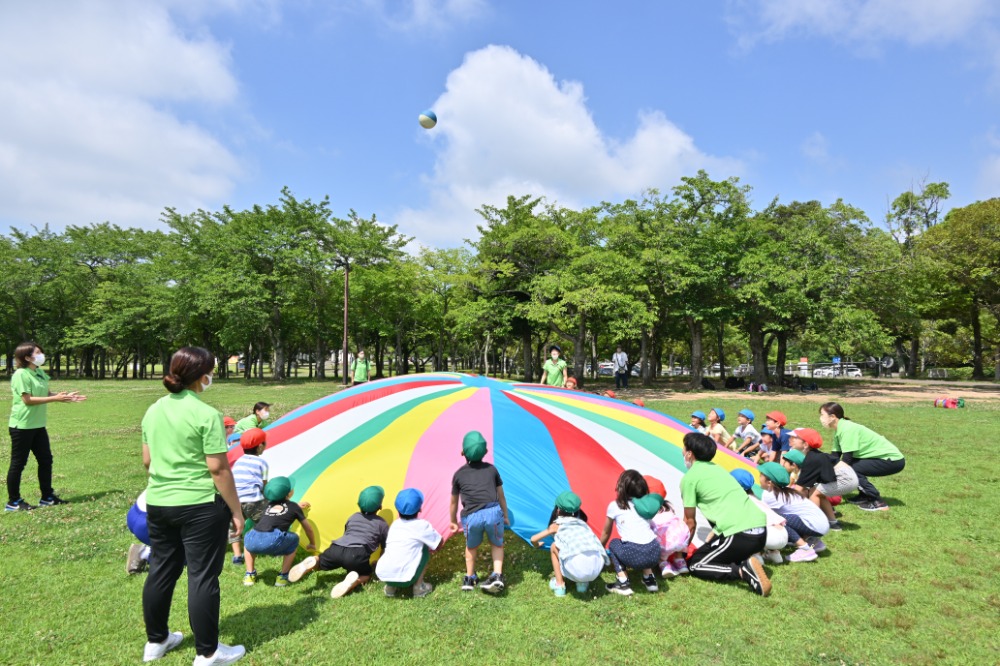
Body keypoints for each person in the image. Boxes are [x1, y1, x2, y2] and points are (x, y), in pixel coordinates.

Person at [140, 346, 245, 665]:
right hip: (200, 506)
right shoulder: (206, 415)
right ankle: (208, 652)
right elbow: (218, 468)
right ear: (203, 377)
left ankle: (156, 642)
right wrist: (237, 511)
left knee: (161, 570)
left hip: (159, 502)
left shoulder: (153, 410)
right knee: (202, 576)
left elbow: (147, 461)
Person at [680, 432, 772, 597]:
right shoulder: (719, 470)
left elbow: (690, 522)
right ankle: (746, 560)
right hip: (761, 532)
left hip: (739, 533)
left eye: (684, 448)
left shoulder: (690, 479)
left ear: (689, 453)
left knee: (696, 564)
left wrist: (681, 553)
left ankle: (742, 571)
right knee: (712, 553)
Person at [6, 341, 86, 512]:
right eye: (37, 352)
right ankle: (13, 502)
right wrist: (55, 399)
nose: (41, 355)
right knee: (18, 463)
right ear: (27, 357)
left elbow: (45, 394)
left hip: (38, 425)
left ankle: (47, 497)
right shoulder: (21, 374)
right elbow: (27, 399)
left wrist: (63, 396)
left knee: (45, 460)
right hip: (22, 426)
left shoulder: (40, 373)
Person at [287, 486, 389, 598]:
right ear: (380, 506)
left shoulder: (353, 517)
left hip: (337, 547)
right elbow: (385, 548)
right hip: (357, 553)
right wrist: (379, 562)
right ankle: (351, 582)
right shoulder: (382, 524)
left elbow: (347, 533)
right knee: (366, 575)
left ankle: (313, 561)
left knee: (320, 564)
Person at [449, 431, 510, 593]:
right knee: (497, 544)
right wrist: (504, 515)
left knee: (471, 547)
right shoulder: (492, 470)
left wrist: (453, 521)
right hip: (493, 512)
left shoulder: (458, 474)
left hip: (472, 516)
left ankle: (469, 578)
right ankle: (497, 575)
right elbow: (501, 496)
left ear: (463, 453)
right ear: (485, 452)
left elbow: (454, 502)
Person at [819, 402, 905, 512]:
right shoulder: (839, 430)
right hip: (883, 459)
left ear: (832, 417)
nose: (820, 418)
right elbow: (834, 457)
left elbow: (846, 460)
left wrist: (828, 475)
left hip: (893, 460)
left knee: (850, 468)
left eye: (822, 415)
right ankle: (864, 495)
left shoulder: (847, 429)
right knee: (848, 466)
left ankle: (877, 501)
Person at [529, 491, 609, 596]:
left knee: (554, 547)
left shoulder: (556, 525)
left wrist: (537, 545)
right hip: (596, 568)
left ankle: (559, 585)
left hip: (578, 568)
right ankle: (582, 585)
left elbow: (533, 539)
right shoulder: (582, 524)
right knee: (580, 550)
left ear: (557, 510)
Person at [242, 476, 316, 587]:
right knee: (294, 539)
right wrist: (312, 543)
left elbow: (279, 507)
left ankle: (249, 575)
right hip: (273, 539)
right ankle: (283, 576)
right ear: (289, 493)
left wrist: (296, 505)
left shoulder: (266, 504)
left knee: (248, 544)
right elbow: (308, 528)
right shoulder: (293, 507)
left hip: (253, 537)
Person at [599, 470, 661, 596]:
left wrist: (599, 549)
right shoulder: (646, 506)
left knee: (614, 543)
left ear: (622, 487)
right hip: (654, 552)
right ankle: (650, 579)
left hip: (635, 554)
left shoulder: (615, 505)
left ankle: (623, 583)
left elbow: (606, 532)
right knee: (643, 541)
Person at [758, 462, 830, 563]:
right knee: (782, 517)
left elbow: (763, 513)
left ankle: (805, 549)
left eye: (761, 475)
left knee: (776, 519)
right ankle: (813, 542)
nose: (759, 478)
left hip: (814, 525)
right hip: (821, 524)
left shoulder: (771, 495)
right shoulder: (786, 491)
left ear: (769, 482)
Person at [376, 488, 442, 598]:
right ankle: (418, 587)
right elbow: (438, 544)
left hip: (385, 576)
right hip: (407, 578)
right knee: (424, 548)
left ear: (397, 509)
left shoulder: (395, 525)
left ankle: (390, 587)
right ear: (420, 508)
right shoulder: (422, 525)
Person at [789, 427, 858, 529]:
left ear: (805, 444)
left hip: (846, 479)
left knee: (814, 493)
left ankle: (813, 523)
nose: (792, 439)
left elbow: (799, 488)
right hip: (850, 477)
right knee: (819, 493)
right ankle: (833, 523)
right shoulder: (813, 456)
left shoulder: (812, 459)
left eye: (797, 437)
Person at [730, 469, 788, 565]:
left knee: (742, 528)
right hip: (783, 533)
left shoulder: (742, 501)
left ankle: (756, 556)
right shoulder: (755, 498)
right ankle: (775, 554)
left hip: (769, 536)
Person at [230, 428, 270, 566]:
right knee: (264, 523)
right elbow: (264, 486)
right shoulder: (261, 463)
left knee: (234, 528)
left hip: (235, 500)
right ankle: (259, 547)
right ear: (260, 446)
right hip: (253, 500)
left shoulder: (239, 461)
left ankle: (237, 556)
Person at [643, 476, 690, 578]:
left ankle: (664, 565)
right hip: (681, 540)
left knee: (657, 535)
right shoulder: (668, 506)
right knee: (674, 532)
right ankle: (680, 562)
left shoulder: (646, 511)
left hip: (664, 544)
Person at [126, 491, 152, 575]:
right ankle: (145, 553)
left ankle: (144, 552)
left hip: (136, 511)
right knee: (192, 555)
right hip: (147, 522)